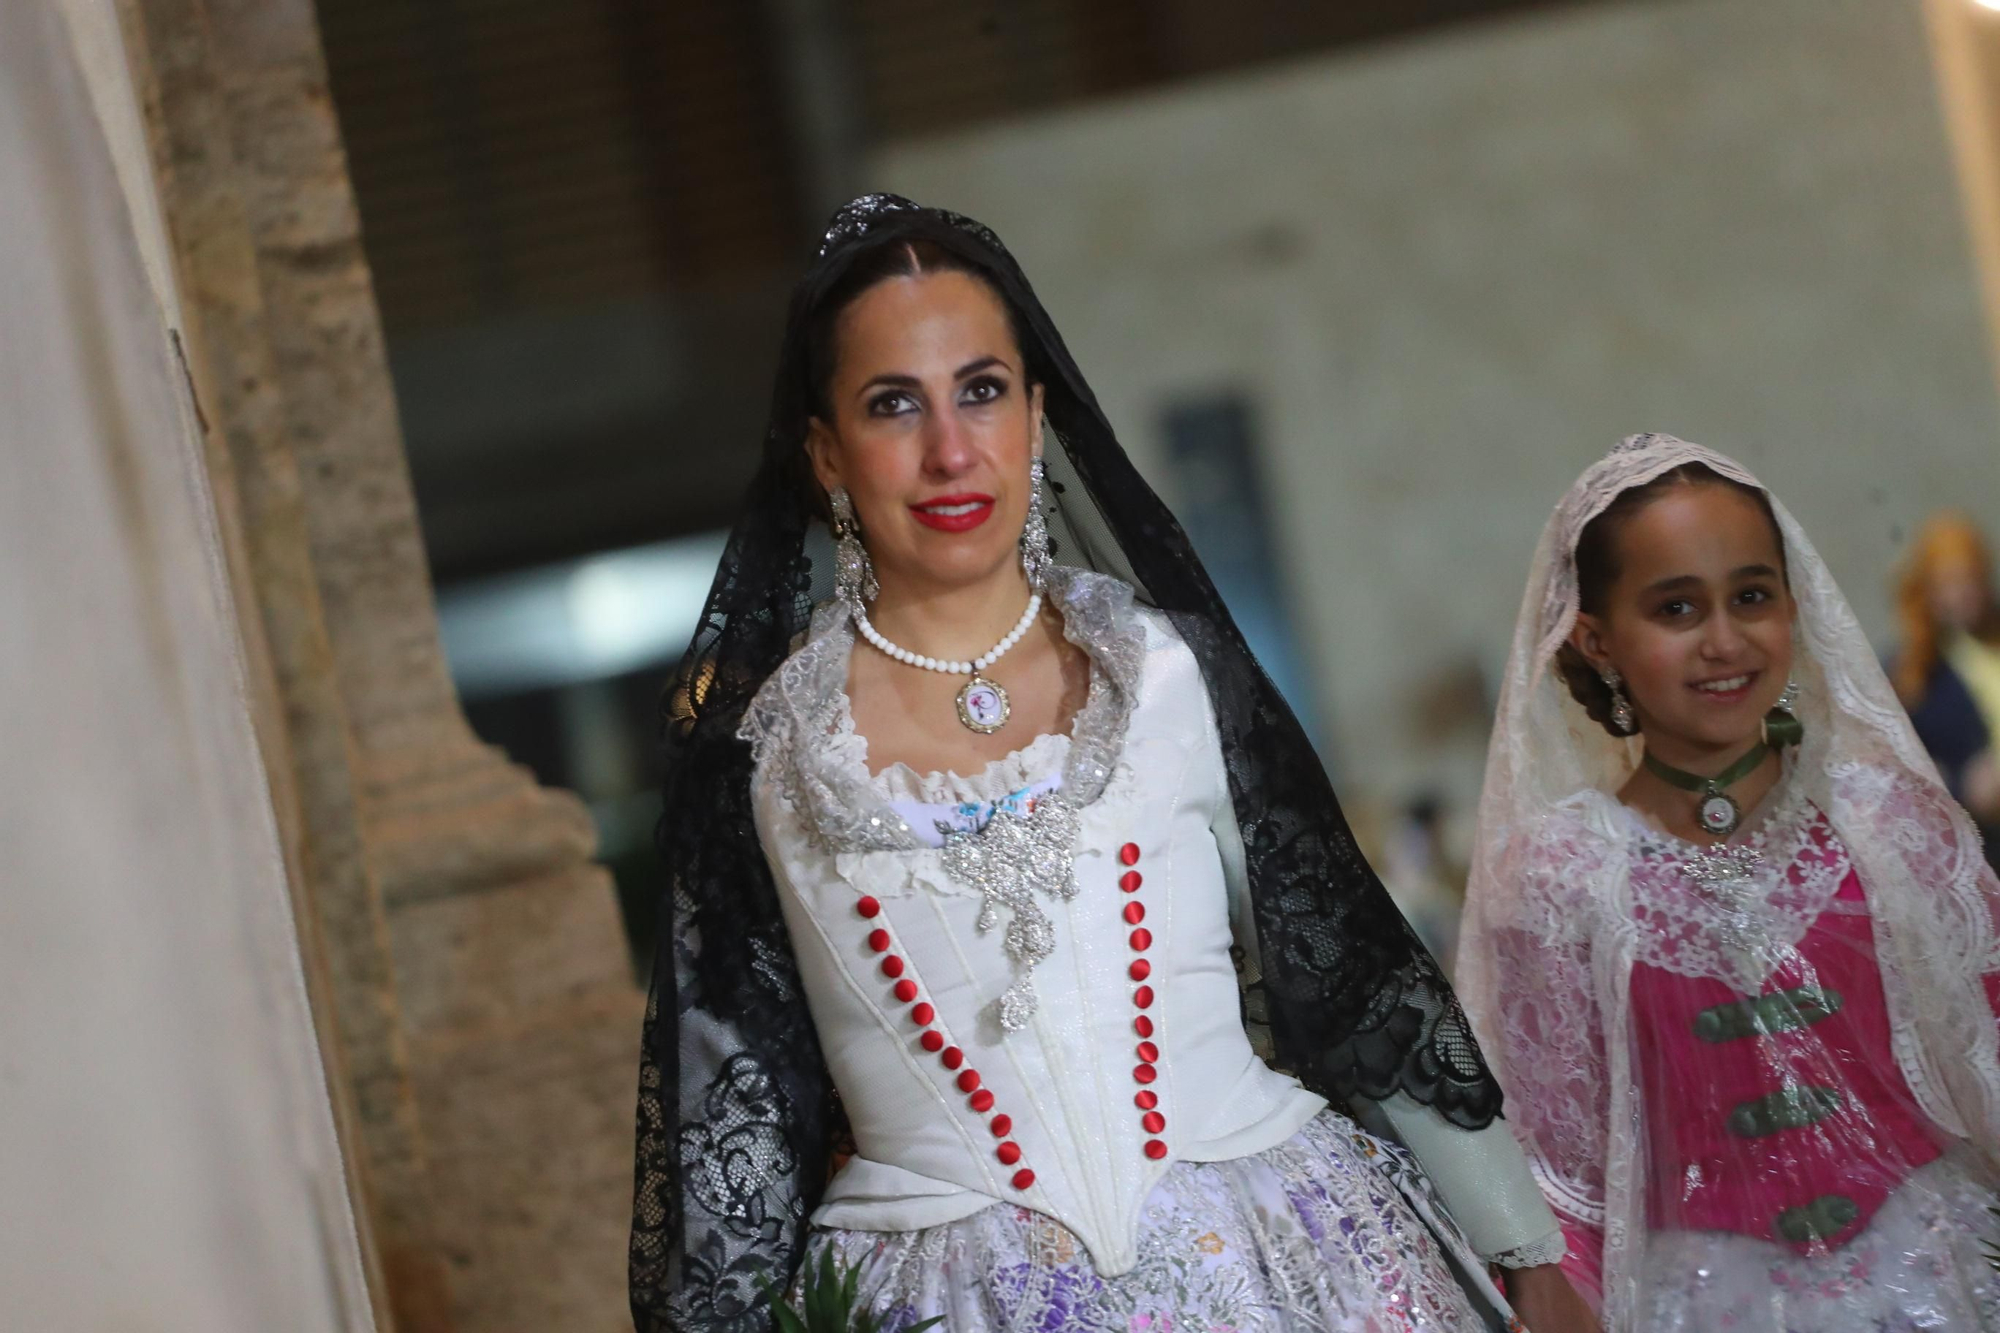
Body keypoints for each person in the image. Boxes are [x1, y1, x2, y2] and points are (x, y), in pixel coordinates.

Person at [628, 194, 1594, 1332]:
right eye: (895, 404)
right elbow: (731, 1104)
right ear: (827, 451)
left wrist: (1522, 1248)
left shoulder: (1165, 673)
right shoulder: (764, 754)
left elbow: (1346, 970)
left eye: (981, 390)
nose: (950, 449)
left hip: (1288, 1264)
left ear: (1035, 417)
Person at [1457, 434, 2000, 1331]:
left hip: (1942, 1276)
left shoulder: (1883, 822)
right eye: (1676, 608)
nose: (1724, 641)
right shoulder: (1560, 877)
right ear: (1597, 640)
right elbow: (1561, 1175)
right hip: (1701, 1302)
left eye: (1752, 596)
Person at [1891, 511, 2000, 866]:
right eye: (1950, 583)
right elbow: (1901, 779)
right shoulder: (1916, 672)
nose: (1963, 594)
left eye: (1971, 580)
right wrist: (1965, 789)